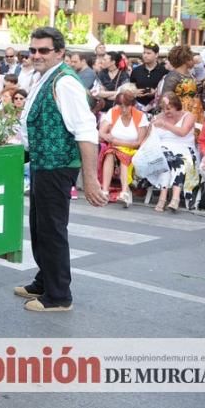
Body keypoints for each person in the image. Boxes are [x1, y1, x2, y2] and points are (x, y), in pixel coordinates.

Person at [18, 26, 105, 312]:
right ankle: (44, 280)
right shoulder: (47, 77)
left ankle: (58, 295)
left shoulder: (65, 82)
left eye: (43, 50)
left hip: (57, 165)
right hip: (44, 162)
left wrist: (90, 179)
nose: (36, 55)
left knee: (52, 229)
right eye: (33, 50)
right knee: (40, 226)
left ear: (59, 53)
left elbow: (86, 131)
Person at [144, 93, 199, 212]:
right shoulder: (158, 116)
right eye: (163, 109)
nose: (166, 112)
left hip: (184, 148)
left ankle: (167, 198)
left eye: (168, 108)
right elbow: (148, 137)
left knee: (178, 160)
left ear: (176, 105)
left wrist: (164, 124)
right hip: (163, 149)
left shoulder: (188, 116)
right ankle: (171, 198)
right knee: (166, 159)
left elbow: (183, 132)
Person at [97, 88, 150, 207]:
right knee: (110, 153)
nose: (123, 109)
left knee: (122, 155)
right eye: (120, 106)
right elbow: (101, 132)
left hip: (133, 150)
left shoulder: (140, 116)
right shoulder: (113, 112)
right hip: (114, 148)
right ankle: (105, 190)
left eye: (126, 106)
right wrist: (107, 136)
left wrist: (117, 141)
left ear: (133, 105)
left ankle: (125, 191)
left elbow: (138, 142)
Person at [161, 45, 204, 124]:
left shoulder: (190, 74)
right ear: (186, 60)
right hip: (180, 113)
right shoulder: (173, 76)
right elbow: (165, 97)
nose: (193, 61)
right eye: (191, 59)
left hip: (195, 110)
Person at [129, 44, 168, 110]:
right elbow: (131, 86)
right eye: (144, 53)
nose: (145, 55)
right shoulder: (136, 70)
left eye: (148, 53)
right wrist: (135, 92)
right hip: (138, 107)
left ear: (156, 55)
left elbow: (167, 91)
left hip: (158, 108)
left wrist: (155, 93)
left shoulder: (164, 71)